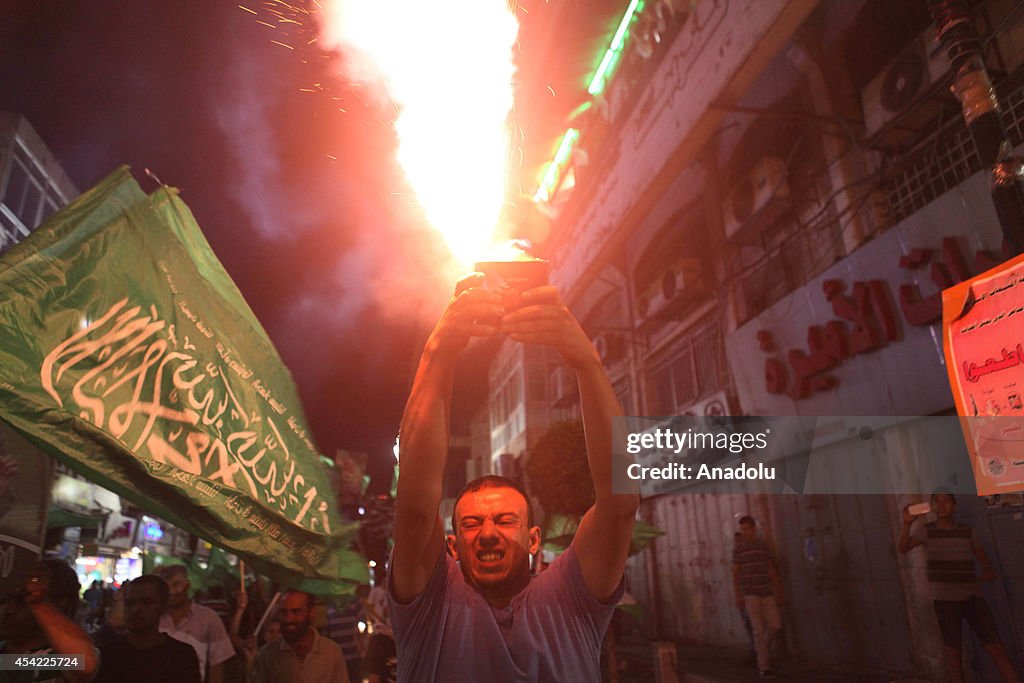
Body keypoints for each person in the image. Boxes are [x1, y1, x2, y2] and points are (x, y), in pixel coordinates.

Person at [389, 277, 640, 682]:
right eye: (471, 524)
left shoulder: (570, 598)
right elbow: (416, 510)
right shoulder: (430, 606)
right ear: (452, 546)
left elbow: (620, 506)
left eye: (506, 520)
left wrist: (586, 362)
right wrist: (439, 352)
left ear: (535, 539)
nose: (488, 533)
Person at [899, 493, 1020, 683]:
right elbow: (903, 548)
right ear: (931, 507)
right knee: (952, 652)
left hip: (972, 597)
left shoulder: (968, 531)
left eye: (945, 501)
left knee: (996, 648)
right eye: (936, 502)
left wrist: (988, 570)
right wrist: (906, 524)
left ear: (954, 506)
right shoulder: (926, 531)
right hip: (945, 600)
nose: (941, 505)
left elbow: (983, 558)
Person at [0, 560, 99, 682]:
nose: (9, 610)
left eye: (21, 602)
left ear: (60, 603)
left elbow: (84, 663)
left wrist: (37, 601)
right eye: (5, 600)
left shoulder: (54, 659)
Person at [94, 574, 201, 683]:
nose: (136, 609)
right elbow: (76, 663)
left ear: (163, 606)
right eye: (129, 603)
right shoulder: (106, 653)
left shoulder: (182, 656)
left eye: (146, 602)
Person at [156, 564, 234, 683]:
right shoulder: (153, 616)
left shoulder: (208, 618)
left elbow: (218, 662)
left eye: (176, 585)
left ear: (187, 585)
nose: (171, 591)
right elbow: (117, 622)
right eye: (166, 586)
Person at [250, 590, 349, 683]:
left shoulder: (331, 652)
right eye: (284, 612)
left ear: (311, 613)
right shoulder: (266, 655)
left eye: (296, 612)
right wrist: (248, 666)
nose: (289, 619)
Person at [732, 516, 783, 679]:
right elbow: (735, 572)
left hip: (766, 591)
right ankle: (764, 666)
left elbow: (770, 568)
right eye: (742, 529)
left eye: (746, 528)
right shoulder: (739, 549)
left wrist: (779, 589)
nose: (743, 532)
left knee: (775, 625)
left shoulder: (763, 545)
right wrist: (738, 594)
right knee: (758, 631)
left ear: (753, 528)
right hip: (750, 593)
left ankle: (761, 650)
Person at [322, 585, 368, 683]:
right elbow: (326, 630)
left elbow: (363, 625)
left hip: (353, 655)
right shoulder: (330, 603)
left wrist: (361, 642)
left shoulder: (355, 601)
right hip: (335, 656)